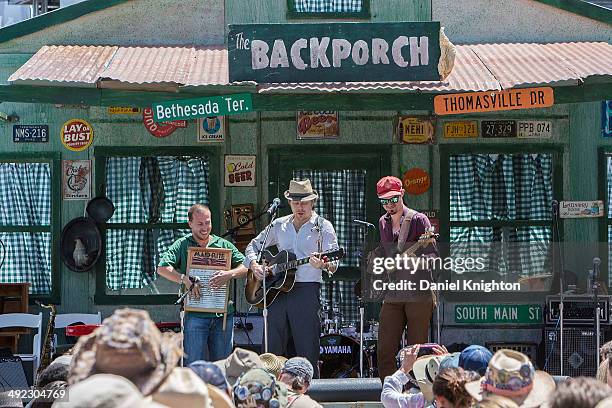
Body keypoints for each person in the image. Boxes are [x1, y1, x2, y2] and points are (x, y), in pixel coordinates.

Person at [245, 180, 339, 378]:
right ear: (289, 203)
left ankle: (309, 396)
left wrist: (323, 264)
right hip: (277, 291)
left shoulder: (323, 226)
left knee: (307, 346)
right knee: (271, 347)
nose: (300, 207)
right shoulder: (279, 225)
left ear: (313, 202)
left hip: (306, 290)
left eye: (304, 202)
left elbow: (333, 263)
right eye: (295, 202)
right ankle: (269, 390)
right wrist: (255, 265)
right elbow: (253, 246)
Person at [157, 203, 248, 363]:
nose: (205, 227)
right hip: (195, 316)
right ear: (190, 223)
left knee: (222, 367)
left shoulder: (224, 245)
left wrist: (229, 274)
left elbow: (247, 266)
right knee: (193, 365)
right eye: (200, 224)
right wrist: (184, 279)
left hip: (223, 316)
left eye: (208, 222)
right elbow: (162, 268)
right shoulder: (182, 244)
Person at [374, 176, 438, 380]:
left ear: (402, 194)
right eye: (384, 201)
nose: (389, 205)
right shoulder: (382, 222)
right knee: (384, 349)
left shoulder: (418, 220)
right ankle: (389, 391)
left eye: (393, 199)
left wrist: (414, 262)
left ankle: (415, 391)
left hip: (418, 293)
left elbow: (433, 258)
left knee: (415, 350)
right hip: (393, 293)